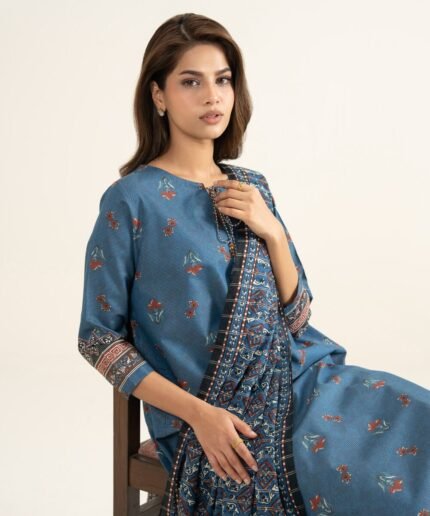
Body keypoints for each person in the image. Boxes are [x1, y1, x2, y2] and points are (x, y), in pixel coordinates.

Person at [77, 12, 430, 515]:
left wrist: (273, 232)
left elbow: (298, 319)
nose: (212, 96)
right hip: (222, 417)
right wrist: (200, 416)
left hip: (305, 381)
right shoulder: (131, 200)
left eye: (222, 80)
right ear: (158, 95)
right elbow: (97, 339)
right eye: (191, 82)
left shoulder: (251, 187)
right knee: (384, 489)